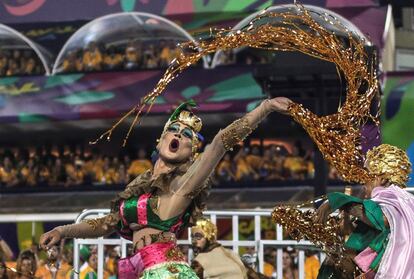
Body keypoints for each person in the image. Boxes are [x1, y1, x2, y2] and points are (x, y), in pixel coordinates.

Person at [39, 97, 292, 278]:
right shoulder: (139, 186)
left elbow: (218, 144)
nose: (178, 135)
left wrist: (264, 108)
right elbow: (105, 223)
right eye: (173, 129)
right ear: (161, 139)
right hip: (140, 270)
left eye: (186, 136)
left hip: (166, 272)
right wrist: (63, 230)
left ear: (191, 151)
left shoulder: (183, 184)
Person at [314, 144, 414, 278]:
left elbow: (382, 219)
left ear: (382, 179)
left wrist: (339, 200)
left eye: (367, 176)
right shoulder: (396, 202)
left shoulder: (395, 199)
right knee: (333, 262)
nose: (363, 183)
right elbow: (357, 234)